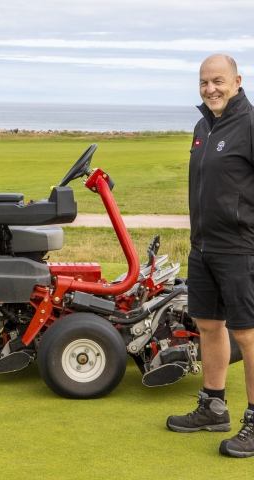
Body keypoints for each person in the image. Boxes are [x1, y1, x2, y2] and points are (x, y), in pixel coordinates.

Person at [166, 54, 254, 458]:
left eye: (218, 81)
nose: (210, 89)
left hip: (241, 249)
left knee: (248, 336)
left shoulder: (249, 125)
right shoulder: (204, 126)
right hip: (202, 247)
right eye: (204, 82)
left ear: (237, 80)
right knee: (209, 325)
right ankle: (214, 406)